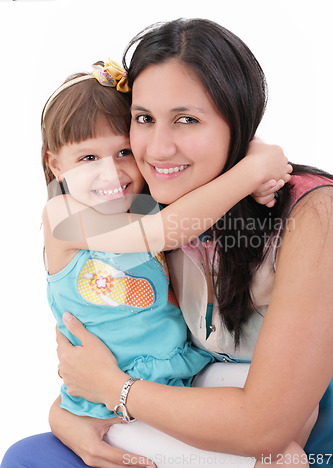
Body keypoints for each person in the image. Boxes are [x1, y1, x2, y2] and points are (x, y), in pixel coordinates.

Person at [2, 18, 332, 467]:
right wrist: (69, 414)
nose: (156, 150)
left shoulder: (312, 214)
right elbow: (98, 340)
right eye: (143, 119)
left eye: (186, 119)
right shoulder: (133, 209)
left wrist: (114, 390)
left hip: (250, 421)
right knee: (26, 455)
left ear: (238, 121)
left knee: (287, 453)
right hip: (161, 400)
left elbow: (267, 425)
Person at [41, 60, 289, 421]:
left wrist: (259, 156)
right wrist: (252, 172)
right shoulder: (60, 216)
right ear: (56, 165)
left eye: (124, 152)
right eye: (89, 157)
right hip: (111, 401)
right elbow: (167, 230)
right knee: (285, 456)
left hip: (179, 373)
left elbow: (214, 148)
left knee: (289, 412)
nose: (111, 171)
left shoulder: (146, 205)